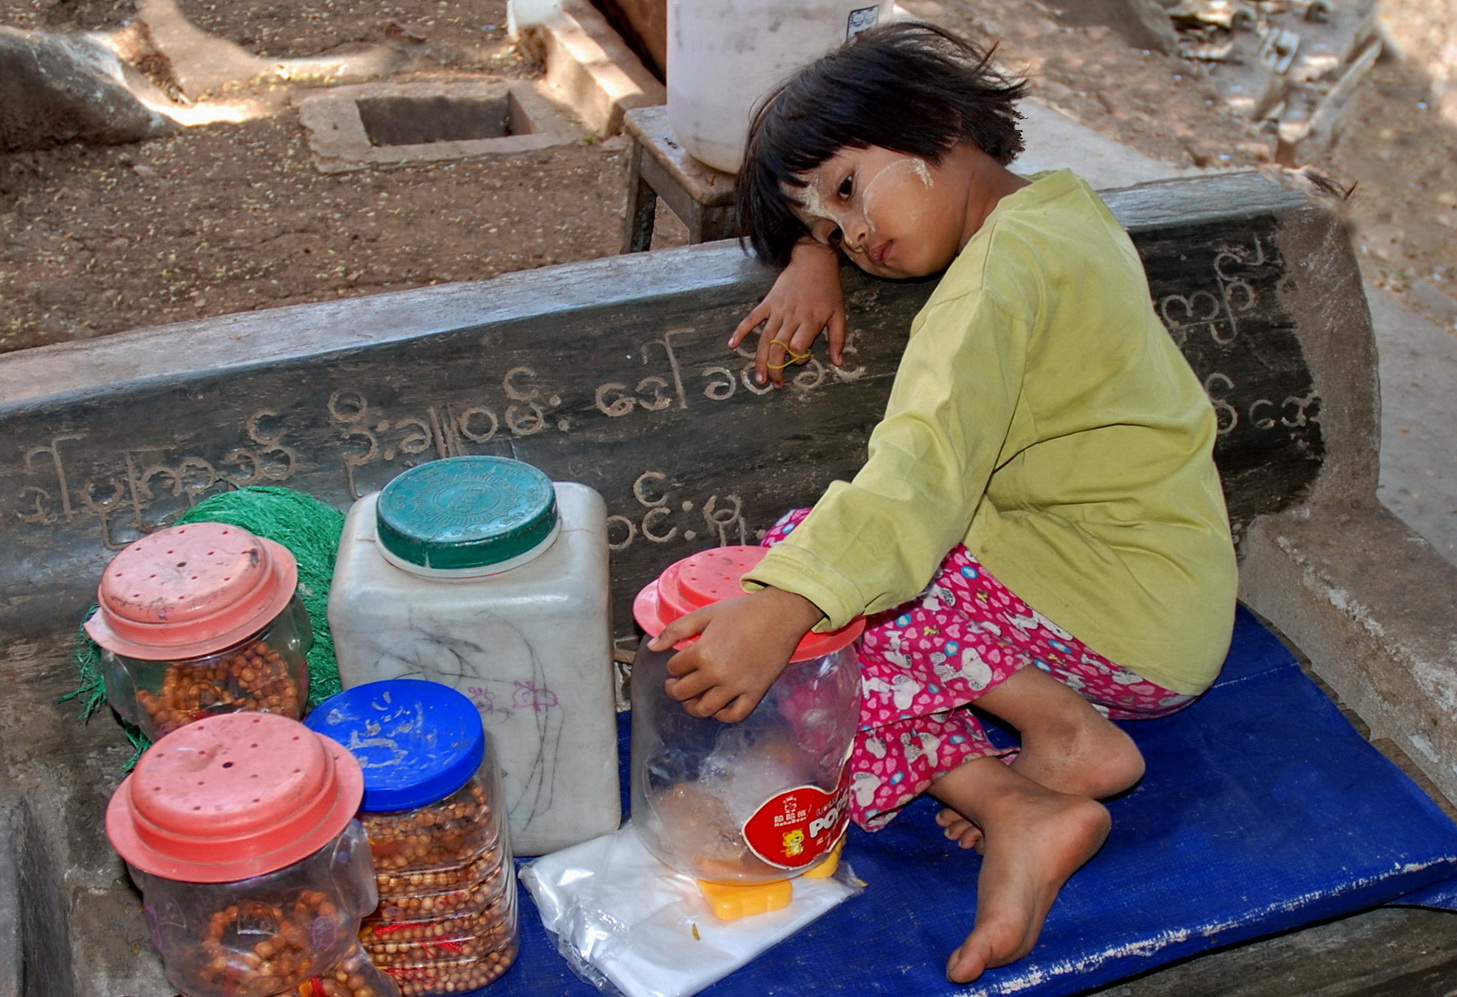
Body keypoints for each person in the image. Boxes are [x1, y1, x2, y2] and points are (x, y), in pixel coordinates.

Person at [646, 20, 1238, 986]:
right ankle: (1035, 767)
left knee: (822, 593)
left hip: (1107, 616)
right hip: (1157, 593)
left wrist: (783, 603)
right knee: (846, 574)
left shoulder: (987, 290)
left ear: (937, 118)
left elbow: (916, 473)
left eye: (846, 196)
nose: (855, 235)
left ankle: (1040, 766)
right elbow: (888, 185)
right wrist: (815, 245)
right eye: (834, 228)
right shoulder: (1059, 215)